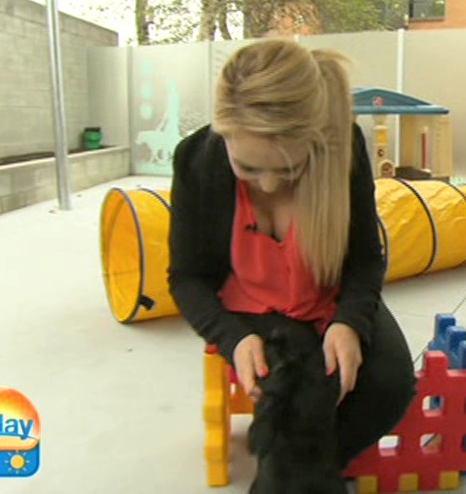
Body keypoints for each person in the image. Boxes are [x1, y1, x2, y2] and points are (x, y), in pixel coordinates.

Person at [167, 38, 417, 471]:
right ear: (223, 135)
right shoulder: (197, 160)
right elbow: (186, 277)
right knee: (296, 391)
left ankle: (303, 469)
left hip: (327, 292)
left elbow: (365, 257)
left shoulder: (344, 149)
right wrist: (233, 338)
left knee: (388, 385)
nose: (267, 185)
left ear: (315, 141)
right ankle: (297, 471)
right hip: (248, 302)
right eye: (248, 168)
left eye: (287, 170)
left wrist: (349, 323)